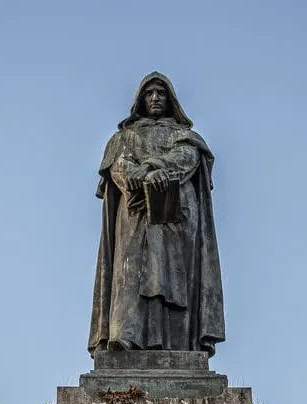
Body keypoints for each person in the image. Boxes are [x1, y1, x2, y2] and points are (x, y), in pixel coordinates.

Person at [88, 72, 225, 356]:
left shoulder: (185, 136)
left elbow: (187, 158)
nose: (154, 98)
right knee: (130, 273)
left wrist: (155, 167)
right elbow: (118, 165)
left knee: (174, 277)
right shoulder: (123, 137)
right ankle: (126, 335)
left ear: (170, 99)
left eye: (160, 93)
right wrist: (139, 176)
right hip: (136, 213)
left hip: (176, 216)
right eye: (149, 93)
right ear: (140, 99)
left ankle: (178, 343)